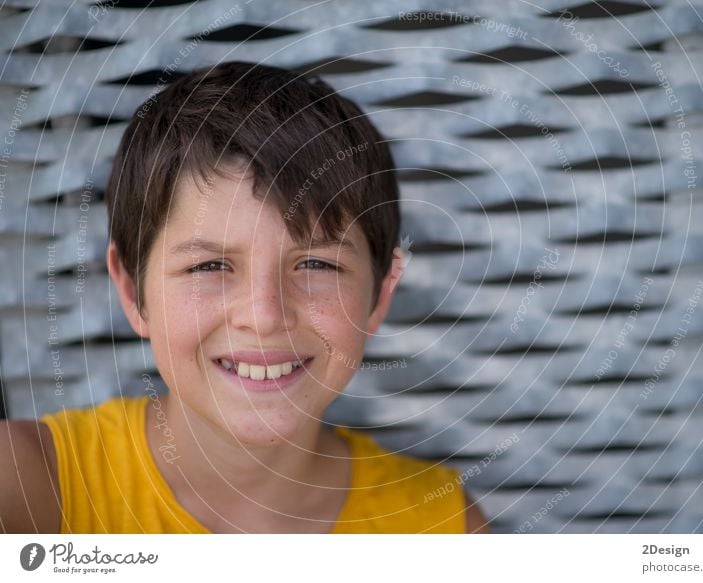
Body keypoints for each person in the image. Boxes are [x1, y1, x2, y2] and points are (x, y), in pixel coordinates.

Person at [0, 61, 491, 534]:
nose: (264, 316)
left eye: (316, 265)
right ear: (132, 291)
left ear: (379, 297)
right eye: (209, 266)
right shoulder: (32, 485)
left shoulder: (441, 526)